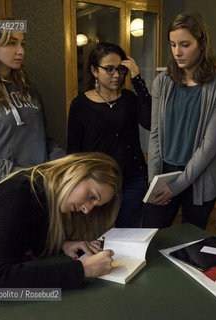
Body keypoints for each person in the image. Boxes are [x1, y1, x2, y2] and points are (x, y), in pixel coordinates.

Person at [0, 152, 122, 289]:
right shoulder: (19, 195)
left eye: (95, 204)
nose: (87, 209)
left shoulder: (43, 193)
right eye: (92, 196)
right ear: (77, 171)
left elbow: (21, 238)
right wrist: (84, 269)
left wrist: (62, 245)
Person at [0, 15, 66, 199]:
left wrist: (65, 162)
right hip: (0, 192)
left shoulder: (28, 87)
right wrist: (18, 174)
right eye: (11, 43)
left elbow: (42, 137)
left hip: (39, 187)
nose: (21, 51)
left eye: (22, 43)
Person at [141, 12, 216, 229]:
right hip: (164, 173)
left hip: (199, 177)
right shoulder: (162, 82)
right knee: (150, 236)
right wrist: (154, 182)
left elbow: (210, 145)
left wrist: (179, 185)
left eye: (184, 44)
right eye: (172, 45)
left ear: (201, 43)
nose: (177, 52)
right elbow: (154, 135)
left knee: (192, 245)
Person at [67, 42, 151, 228]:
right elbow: (74, 150)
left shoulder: (128, 99)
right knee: (97, 237)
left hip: (132, 181)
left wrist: (137, 79)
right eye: (109, 69)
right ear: (94, 71)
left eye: (120, 69)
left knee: (127, 237)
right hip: (96, 184)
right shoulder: (81, 104)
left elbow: (151, 122)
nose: (116, 75)